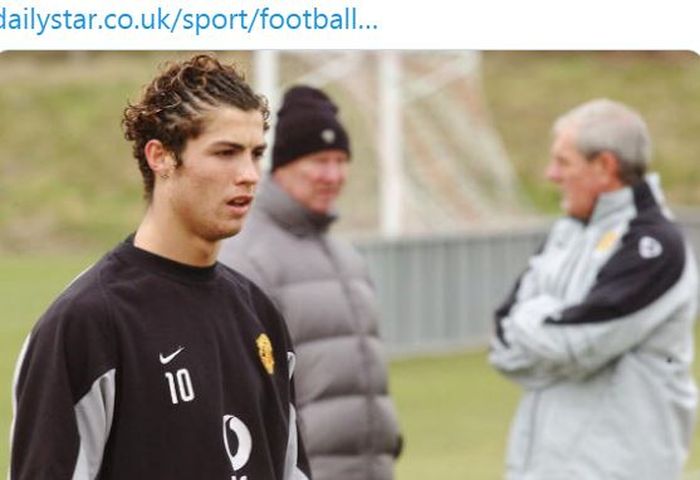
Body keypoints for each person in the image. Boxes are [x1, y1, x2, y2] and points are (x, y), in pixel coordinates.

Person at [9, 54, 311, 480]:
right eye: (225, 152)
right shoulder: (88, 321)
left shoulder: (258, 314)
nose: (248, 174)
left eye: (255, 153)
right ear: (161, 157)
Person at [489, 98, 698, 479]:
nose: (551, 174)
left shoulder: (653, 245)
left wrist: (535, 318)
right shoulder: (565, 233)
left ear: (605, 167)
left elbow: (575, 344)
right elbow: (501, 344)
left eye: (563, 162)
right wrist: (547, 326)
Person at [219, 85, 402, 480]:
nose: (333, 175)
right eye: (320, 160)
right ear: (281, 164)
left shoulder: (348, 258)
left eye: (341, 161)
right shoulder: (245, 256)